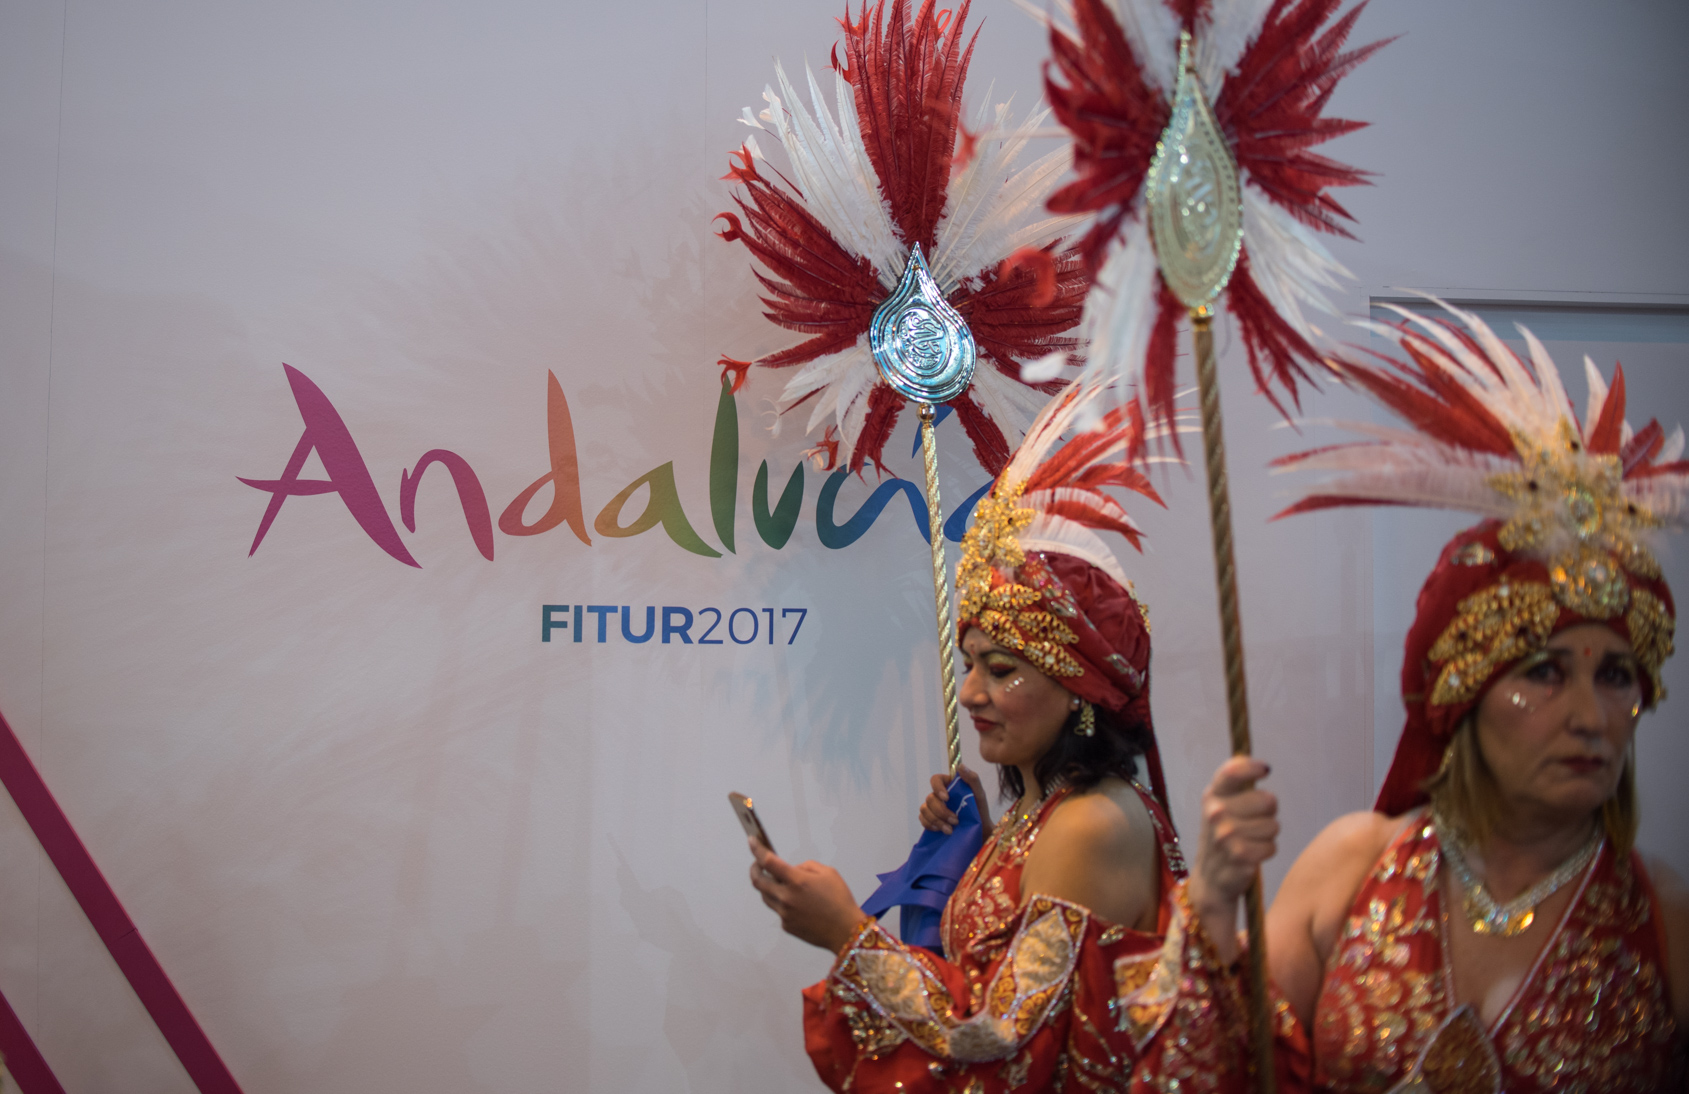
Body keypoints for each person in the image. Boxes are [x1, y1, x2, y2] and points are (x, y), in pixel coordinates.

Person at [1187, 305, 1689, 1091]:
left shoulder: (1664, 921)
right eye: (1545, 673)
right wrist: (1215, 900)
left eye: (1616, 676)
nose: (1590, 718)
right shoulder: (1351, 867)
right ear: (1462, 693)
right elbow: (1229, 1070)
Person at [748, 384, 1255, 1093]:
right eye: (969, 665)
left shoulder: (1091, 823)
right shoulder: (1046, 813)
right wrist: (981, 845)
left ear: (1077, 687)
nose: (970, 693)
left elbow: (997, 1043)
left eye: (1001, 669)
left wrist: (846, 934)